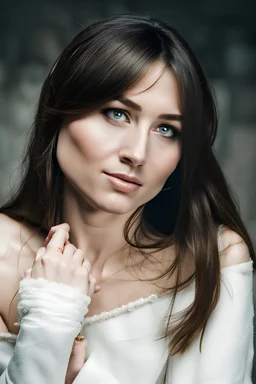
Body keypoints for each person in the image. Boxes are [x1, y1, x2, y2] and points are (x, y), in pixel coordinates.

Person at [0, 13, 254, 384]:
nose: (137, 153)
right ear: (60, 112)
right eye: (117, 113)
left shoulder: (211, 261)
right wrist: (51, 318)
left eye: (166, 129)